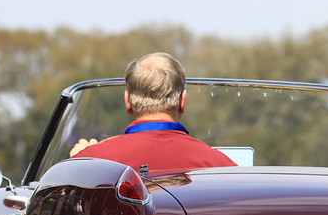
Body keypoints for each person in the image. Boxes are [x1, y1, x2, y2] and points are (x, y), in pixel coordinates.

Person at [68, 52, 237, 176]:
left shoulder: (89, 161)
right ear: (182, 101)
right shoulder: (220, 165)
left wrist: (80, 160)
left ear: (127, 101)